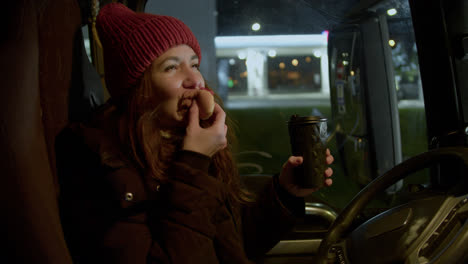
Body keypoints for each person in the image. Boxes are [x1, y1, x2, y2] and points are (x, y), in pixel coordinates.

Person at [56, 3, 334, 264]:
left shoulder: (177, 139)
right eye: (172, 67)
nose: (195, 80)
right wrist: (194, 162)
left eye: (194, 63)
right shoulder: (100, 159)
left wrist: (285, 194)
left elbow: (228, 246)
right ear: (138, 89)